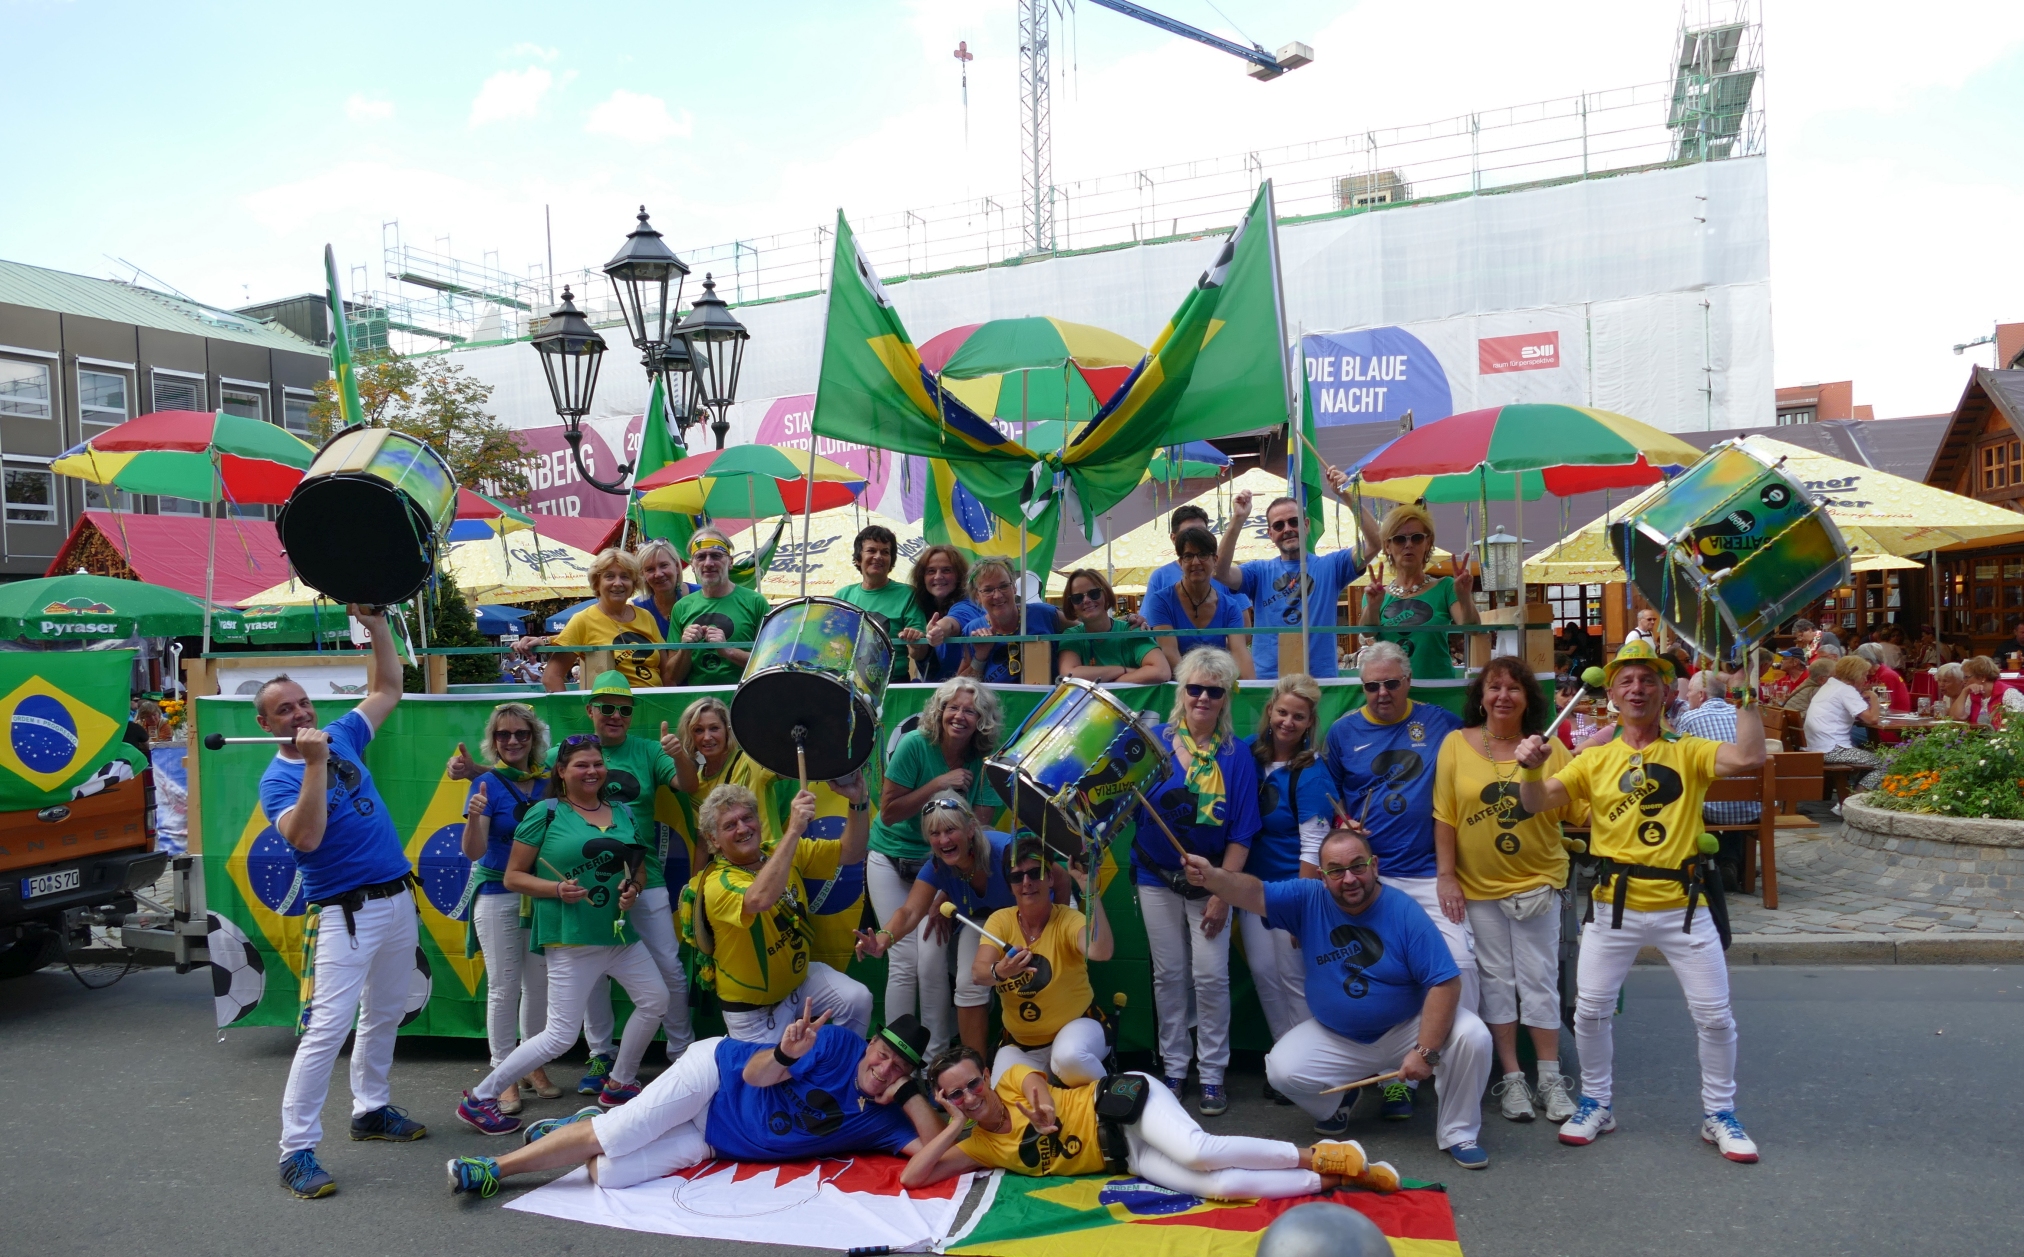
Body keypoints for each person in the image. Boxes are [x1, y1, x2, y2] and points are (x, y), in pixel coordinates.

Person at [1514, 638, 1765, 1163]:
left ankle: (1719, 1113)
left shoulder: (1688, 748)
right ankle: (1597, 1104)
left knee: (1715, 1017)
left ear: (1665, 692)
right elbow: (1535, 803)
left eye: (1647, 679)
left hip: (1685, 905)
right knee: (1589, 1014)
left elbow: (1749, 756)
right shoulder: (1595, 759)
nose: (1636, 688)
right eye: (1625, 680)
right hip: (1614, 907)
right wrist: (1531, 767)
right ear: (1611, 695)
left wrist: (1748, 699)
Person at [1187, 827, 1496, 1170]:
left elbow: (1445, 983)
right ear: (1322, 876)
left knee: (1473, 1035)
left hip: (1405, 1028)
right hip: (1339, 1036)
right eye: (1336, 870)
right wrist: (1212, 876)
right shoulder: (1307, 898)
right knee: (1281, 1069)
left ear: (1374, 865)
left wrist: (1425, 1050)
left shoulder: (1404, 911)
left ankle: (1459, 1133)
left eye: (1357, 866)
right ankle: (1339, 1102)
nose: (1348, 878)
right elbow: (1253, 892)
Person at [256, 606, 424, 1199]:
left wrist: (377, 625)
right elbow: (305, 838)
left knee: (384, 1012)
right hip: (345, 914)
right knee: (326, 1029)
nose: (301, 713)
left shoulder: (345, 732)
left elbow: (388, 686)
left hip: (397, 898)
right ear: (266, 723)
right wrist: (315, 762)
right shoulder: (277, 778)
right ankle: (295, 1151)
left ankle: (370, 1110)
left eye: (303, 702)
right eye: (285, 709)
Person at [449, 1005, 940, 1197]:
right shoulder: (835, 1045)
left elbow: (935, 1152)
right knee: (619, 1134)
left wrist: (913, 1096)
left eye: (900, 1068)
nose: (885, 1069)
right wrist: (787, 1052)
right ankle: (496, 1168)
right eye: (883, 1055)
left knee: (613, 1174)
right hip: (716, 1077)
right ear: (871, 1044)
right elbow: (755, 1073)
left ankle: (577, 1128)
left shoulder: (889, 1117)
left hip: (713, 1141)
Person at [455, 737, 667, 1134]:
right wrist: (555, 889)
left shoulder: (622, 811)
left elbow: (636, 867)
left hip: (619, 936)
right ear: (562, 772)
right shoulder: (545, 812)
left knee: (655, 1001)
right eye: (581, 765)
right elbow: (513, 876)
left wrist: (633, 888)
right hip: (572, 939)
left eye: (597, 764)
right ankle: (481, 1097)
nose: (592, 771)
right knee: (559, 1037)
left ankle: (620, 1082)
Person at [902, 1044, 1394, 1197]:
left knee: (1197, 1152)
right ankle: (1329, 1178)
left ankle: (1325, 1152)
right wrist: (950, 1127)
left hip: (1121, 1101)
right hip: (1126, 1155)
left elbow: (1035, 1088)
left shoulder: (1010, 1082)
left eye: (972, 1084)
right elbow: (912, 1176)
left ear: (985, 1076)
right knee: (1215, 1188)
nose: (969, 1096)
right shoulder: (979, 1146)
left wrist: (1045, 1108)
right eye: (955, 1095)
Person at [1322, 638, 1474, 1131]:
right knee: (1382, 976)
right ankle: (1394, 1079)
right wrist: (1345, 828)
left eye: (1391, 683)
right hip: (1372, 880)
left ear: (1408, 681)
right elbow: (1330, 807)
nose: (1382, 693)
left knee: (1461, 970)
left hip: (1431, 874)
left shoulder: (1440, 724)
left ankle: (1452, 1073)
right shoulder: (1343, 733)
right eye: (1371, 686)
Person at [1432, 657, 1582, 1127]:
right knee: (1497, 983)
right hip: (1477, 889)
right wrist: (1446, 875)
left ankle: (1551, 1077)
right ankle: (1513, 1077)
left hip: (1537, 882)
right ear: (1480, 696)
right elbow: (1445, 815)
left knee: (1539, 981)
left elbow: (1571, 811)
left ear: (1527, 699)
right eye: (1494, 687)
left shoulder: (1550, 748)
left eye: (1513, 689)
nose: (1502, 696)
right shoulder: (1456, 744)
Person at [1128, 647, 1259, 1117]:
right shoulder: (1152, 744)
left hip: (1213, 883)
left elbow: (1242, 831)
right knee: (1169, 975)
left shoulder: (1236, 755)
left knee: (1210, 977)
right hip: (1155, 877)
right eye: (1195, 688)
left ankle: (1212, 1072)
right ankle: (1175, 1066)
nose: (1203, 697)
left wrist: (1224, 891)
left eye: (1214, 691)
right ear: (1180, 692)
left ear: (1225, 698)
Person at [857, 794, 1063, 1054]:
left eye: (950, 830)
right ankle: (974, 1070)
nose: (943, 840)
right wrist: (883, 938)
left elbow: (1060, 876)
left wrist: (1060, 919)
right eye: (935, 833)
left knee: (1047, 978)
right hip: (988, 921)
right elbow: (910, 912)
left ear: (970, 829)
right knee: (968, 983)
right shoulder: (937, 867)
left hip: (1038, 913)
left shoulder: (1007, 851)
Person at [867, 677, 1002, 1054]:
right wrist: (940, 784)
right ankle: (895, 1054)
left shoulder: (985, 760)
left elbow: (979, 830)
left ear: (982, 720)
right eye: (953, 707)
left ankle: (934, 1058)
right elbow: (890, 813)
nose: (959, 716)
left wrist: (949, 890)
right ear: (940, 712)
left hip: (942, 865)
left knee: (930, 958)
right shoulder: (914, 745)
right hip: (890, 856)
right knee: (903, 960)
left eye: (970, 711)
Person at [687, 779, 873, 1044]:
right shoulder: (717, 883)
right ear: (713, 840)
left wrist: (858, 801)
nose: (742, 828)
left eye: (747, 818)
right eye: (729, 825)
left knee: (857, 999)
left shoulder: (777, 850)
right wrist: (794, 830)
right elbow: (760, 898)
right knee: (774, 1082)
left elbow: (851, 852)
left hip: (799, 983)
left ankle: (844, 1072)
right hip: (754, 1014)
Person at [456, 703, 561, 1113]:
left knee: (538, 987)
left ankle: (531, 1065)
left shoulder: (549, 782)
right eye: (503, 735)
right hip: (499, 893)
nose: (512, 741)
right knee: (503, 987)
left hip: (539, 895)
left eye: (520, 734)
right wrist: (474, 818)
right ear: (493, 741)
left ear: (533, 738)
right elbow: (474, 851)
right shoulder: (485, 787)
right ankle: (502, 1075)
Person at [973, 834, 1113, 1087]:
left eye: (1035, 873)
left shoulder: (1067, 919)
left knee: (1068, 1057)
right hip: (1021, 1044)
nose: (1026, 882)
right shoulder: (1000, 921)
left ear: (1050, 878)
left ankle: (1112, 1104)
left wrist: (1090, 892)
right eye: (1017, 876)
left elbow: (1100, 952)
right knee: (1003, 1098)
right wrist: (1000, 971)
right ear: (1010, 885)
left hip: (1078, 1030)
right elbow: (979, 973)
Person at [1240, 674, 1330, 1074]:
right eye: (1282, 712)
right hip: (1251, 891)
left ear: (1310, 722)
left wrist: (1301, 907)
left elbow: (1313, 847)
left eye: (1298, 716)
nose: (1288, 722)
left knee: (1295, 981)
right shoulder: (1247, 755)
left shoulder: (1312, 772)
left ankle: (1309, 1066)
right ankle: (1283, 1061)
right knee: (1264, 976)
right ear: (1270, 712)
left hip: (1290, 890)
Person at [1214, 484, 1374, 679]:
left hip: (1318, 681)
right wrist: (1238, 519)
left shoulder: (1332, 566)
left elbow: (1375, 542)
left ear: (1306, 525)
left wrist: (1346, 495)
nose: (1288, 529)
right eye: (1279, 525)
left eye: (1294, 521)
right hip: (1270, 682)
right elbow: (1218, 572)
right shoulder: (1258, 571)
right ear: (1270, 534)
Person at [1360, 502, 1482, 680]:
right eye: (1399, 539)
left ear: (1428, 543)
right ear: (1388, 546)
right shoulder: (1377, 593)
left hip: (1436, 691)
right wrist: (1372, 606)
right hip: (1392, 691)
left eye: (1416, 538)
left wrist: (1465, 598)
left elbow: (1473, 629)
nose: (1408, 544)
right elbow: (1367, 632)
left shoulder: (1445, 586)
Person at [1675, 666, 1761, 886]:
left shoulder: (1689, 718)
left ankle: (1718, 862)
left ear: (1701, 695)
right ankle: (1730, 861)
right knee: (1737, 802)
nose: (1686, 697)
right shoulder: (1744, 716)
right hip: (1753, 805)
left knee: (1694, 801)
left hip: (1712, 806)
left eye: (1690, 693)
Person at [544, 548, 669, 692]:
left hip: (655, 705)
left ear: (634, 584)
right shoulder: (582, 620)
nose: (618, 583)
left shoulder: (645, 616)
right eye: (609, 576)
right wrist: (575, 712)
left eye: (625, 577)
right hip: (615, 711)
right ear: (597, 583)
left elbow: (665, 672)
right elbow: (551, 677)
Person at [1143, 524, 1254, 678]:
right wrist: (1200, 686)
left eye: (1202, 554)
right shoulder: (1161, 601)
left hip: (1217, 685)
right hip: (1177, 687)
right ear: (1181, 562)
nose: (1195, 562)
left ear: (1215, 560)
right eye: (1188, 556)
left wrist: (1252, 693)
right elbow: (1169, 653)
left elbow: (1240, 653)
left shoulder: (1230, 607)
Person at [667, 528, 771, 687]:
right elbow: (671, 679)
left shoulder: (755, 602)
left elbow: (770, 663)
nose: (708, 563)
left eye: (716, 555)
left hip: (746, 699)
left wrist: (728, 651)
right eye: (700, 557)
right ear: (693, 565)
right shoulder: (681, 607)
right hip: (699, 706)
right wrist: (685, 648)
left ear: (730, 562)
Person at [834, 523, 926, 682]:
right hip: (847, 682)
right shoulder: (842, 595)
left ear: (891, 561)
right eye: (871, 550)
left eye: (885, 552)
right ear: (857, 559)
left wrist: (915, 640)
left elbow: (920, 653)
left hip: (893, 683)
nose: (878, 556)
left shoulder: (908, 594)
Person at [957, 558, 1064, 682]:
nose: (997, 595)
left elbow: (1083, 630)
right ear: (977, 596)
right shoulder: (972, 630)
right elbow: (960, 686)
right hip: (997, 701)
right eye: (988, 590)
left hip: (1049, 700)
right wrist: (980, 656)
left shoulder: (1045, 614)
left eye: (1003, 586)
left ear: (1014, 588)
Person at [1057, 569, 1170, 685]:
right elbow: (1068, 674)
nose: (1086, 600)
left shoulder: (1130, 630)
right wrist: (1122, 670)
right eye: (1077, 598)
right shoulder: (1072, 636)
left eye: (1094, 594)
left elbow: (1161, 671)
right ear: (1071, 604)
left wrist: (1109, 680)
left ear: (1106, 594)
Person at [1806, 655, 1885, 790]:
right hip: (1833, 749)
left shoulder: (1830, 685)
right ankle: (1856, 797)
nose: (1865, 680)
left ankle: (1855, 795)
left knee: (1870, 757)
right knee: (1886, 762)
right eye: (1864, 675)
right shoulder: (1846, 690)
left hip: (1816, 746)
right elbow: (1872, 719)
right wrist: (1874, 697)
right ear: (1855, 675)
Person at [897, 543, 972, 683]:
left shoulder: (969, 603)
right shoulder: (919, 607)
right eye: (931, 571)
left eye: (946, 570)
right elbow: (918, 655)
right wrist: (914, 642)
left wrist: (937, 630)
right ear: (922, 577)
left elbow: (951, 623)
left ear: (959, 575)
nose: (938, 576)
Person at [1141, 503, 1212, 601]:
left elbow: (1240, 613)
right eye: (1189, 533)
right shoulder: (1160, 577)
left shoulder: (1223, 574)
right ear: (1174, 539)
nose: (1196, 538)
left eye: (1202, 532)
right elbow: (1149, 616)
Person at [632, 538, 694, 638]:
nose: (658, 574)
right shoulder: (636, 610)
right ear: (642, 574)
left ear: (677, 567)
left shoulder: (703, 595)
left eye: (664, 565)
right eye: (650, 569)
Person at [1954, 655, 2024, 728]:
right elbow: (1957, 717)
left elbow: (2020, 722)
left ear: (1982, 677)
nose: (1964, 681)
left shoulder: (2009, 694)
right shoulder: (1974, 693)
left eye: (1966, 677)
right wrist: (1964, 691)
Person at [1855, 643, 1911, 712]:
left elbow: (1884, 704)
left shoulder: (1887, 675)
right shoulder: (1868, 674)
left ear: (1868, 661)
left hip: (1894, 718)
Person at [1782, 656, 1833, 724]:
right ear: (1821, 679)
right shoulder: (1817, 691)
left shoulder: (1806, 683)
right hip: (1801, 727)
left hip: (1792, 725)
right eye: (1834, 677)